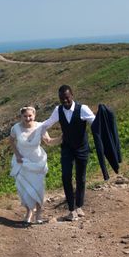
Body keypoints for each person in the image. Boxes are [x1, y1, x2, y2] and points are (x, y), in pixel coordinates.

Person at [39, 85, 95, 221]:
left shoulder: (83, 109)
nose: (64, 101)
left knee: (80, 177)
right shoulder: (58, 110)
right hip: (67, 148)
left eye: (67, 98)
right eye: (62, 99)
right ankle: (71, 209)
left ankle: (79, 206)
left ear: (72, 96)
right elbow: (46, 124)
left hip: (82, 148)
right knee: (66, 177)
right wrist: (42, 133)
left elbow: (95, 123)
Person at [9, 106, 55, 224]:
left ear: (34, 116)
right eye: (25, 116)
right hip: (22, 162)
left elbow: (48, 141)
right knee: (24, 189)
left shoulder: (40, 127)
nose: (28, 118)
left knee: (38, 188)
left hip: (37, 162)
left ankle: (38, 214)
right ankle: (29, 212)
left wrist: (62, 138)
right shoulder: (16, 128)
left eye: (30, 116)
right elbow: (11, 141)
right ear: (21, 116)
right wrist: (18, 155)